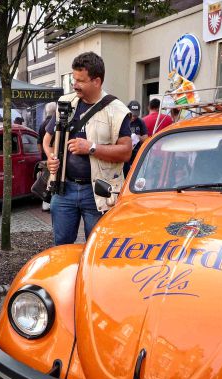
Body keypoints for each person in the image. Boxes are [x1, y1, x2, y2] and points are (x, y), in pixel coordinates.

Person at [43, 52, 131, 245]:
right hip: (63, 189)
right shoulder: (66, 104)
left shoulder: (117, 111)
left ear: (97, 81)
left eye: (80, 81)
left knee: (96, 246)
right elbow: (47, 140)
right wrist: (51, 158)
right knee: (62, 245)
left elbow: (126, 152)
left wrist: (91, 147)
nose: (75, 85)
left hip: (98, 194)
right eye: (74, 79)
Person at [37, 102, 56, 212]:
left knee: (46, 179)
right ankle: (47, 202)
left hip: (45, 157)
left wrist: (43, 155)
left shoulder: (42, 124)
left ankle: (46, 202)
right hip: (54, 156)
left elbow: (39, 142)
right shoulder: (56, 123)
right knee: (51, 179)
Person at [126, 100, 148, 177]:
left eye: (136, 115)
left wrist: (138, 137)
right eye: (132, 114)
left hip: (136, 154)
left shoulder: (140, 122)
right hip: (125, 153)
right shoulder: (122, 121)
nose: (133, 117)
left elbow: (146, 138)